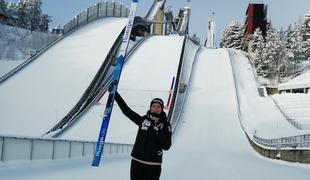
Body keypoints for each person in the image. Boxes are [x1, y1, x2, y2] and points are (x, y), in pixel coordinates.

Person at [114, 91, 172, 180]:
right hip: (137, 162)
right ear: (150, 107)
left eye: (158, 107)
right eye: (153, 106)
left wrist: (158, 132)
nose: (155, 109)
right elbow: (127, 111)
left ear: (162, 109)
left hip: (153, 165)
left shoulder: (166, 125)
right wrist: (115, 95)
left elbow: (167, 146)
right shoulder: (143, 120)